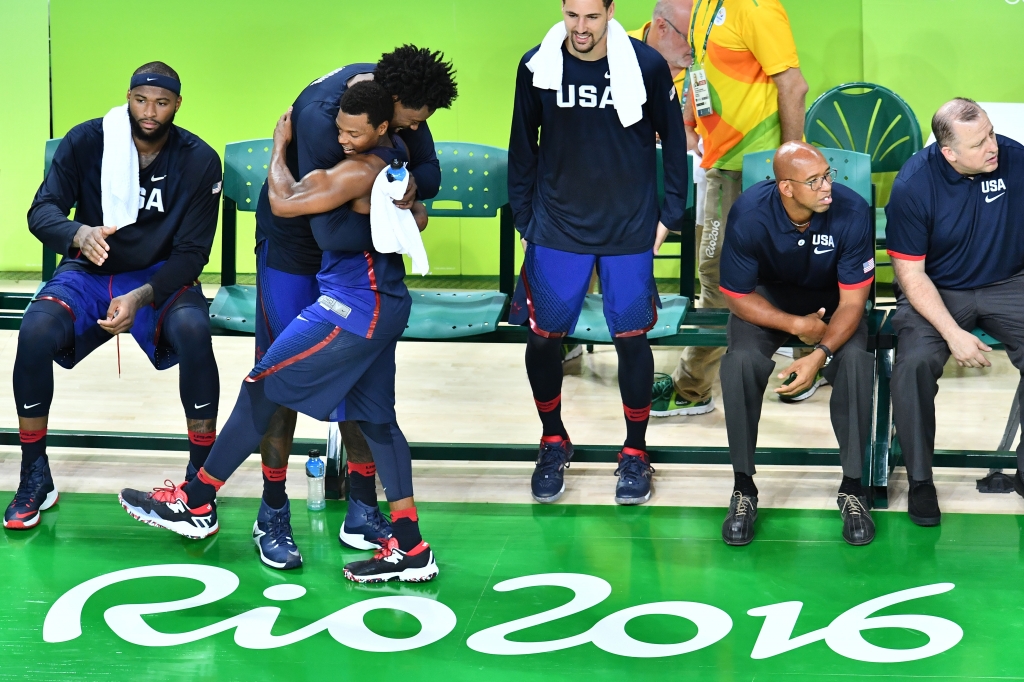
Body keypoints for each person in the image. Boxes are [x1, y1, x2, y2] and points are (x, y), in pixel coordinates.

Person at [120, 81, 439, 584]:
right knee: (377, 422)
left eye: (355, 133)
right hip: (384, 302)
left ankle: (196, 500)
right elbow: (415, 212)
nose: (345, 141)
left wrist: (278, 147)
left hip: (352, 308)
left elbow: (285, 201)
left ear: (381, 127)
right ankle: (412, 545)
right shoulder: (395, 156)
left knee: (263, 386)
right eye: (340, 131)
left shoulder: (358, 169)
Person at [248, 46, 456, 569]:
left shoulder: (402, 104)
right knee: (279, 381)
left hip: (356, 265)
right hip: (296, 252)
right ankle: (272, 510)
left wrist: (408, 190)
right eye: (409, 122)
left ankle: (363, 509)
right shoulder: (326, 121)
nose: (411, 131)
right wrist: (403, 218)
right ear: (390, 105)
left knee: (363, 381)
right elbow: (329, 226)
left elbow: (429, 169)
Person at [4, 62, 222, 530]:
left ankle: (198, 484)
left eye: (162, 103)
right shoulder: (88, 141)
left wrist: (143, 296)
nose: (150, 111)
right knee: (36, 329)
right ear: (128, 96)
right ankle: (34, 475)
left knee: (194, 330)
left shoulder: (199, 159)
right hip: (90, 267)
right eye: (141, 100)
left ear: (177, 105)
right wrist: (78, 232)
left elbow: (192, 253)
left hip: (159, 275)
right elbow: (41, 211)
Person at [508, 0, 689, 505]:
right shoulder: (536, 65)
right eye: (572, 16)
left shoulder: (647, 64)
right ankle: (552, 439)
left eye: (591, 16)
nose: (581, 28)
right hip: (557, 226)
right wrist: (527, 219)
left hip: (628, 227)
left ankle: (635, 452)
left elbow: (673, 144)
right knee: (545, 340)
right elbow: (523, 145)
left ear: (610, 11)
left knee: (631, 340)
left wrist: (669, 216)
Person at [652, 0, 808, 417]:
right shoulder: (703, 6)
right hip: (720, 163)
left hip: (754, 168)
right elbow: (700, 70)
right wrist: (687, 125)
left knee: (720, 280)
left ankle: (691, 388)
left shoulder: (756, 7)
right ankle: (807, 361)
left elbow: (793, 86)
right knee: (725, 277)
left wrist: (789, 167)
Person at [716, 142, 876, 546]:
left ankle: (854, 488)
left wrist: (818, 356)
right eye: (814, 181)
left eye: (828, 176)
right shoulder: (749, 214)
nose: (827, 187)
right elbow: (736, 295)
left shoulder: (853, 211)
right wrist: (796, 326)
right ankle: (743, 487)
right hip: (770, 303)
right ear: (786, 188)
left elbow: (855, 300)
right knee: (739, 364)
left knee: (856, 361)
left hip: (836, 302)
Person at [886, 98, 1024, 527]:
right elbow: (911, 276)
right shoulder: (913, 184)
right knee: (913, 365)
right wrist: (953, 334)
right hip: (938, 290)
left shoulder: (1015, 159)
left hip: (1008, 283)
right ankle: (921, 480)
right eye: (979, 142)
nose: (992, 146)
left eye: (991, 133)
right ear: (949, 153)